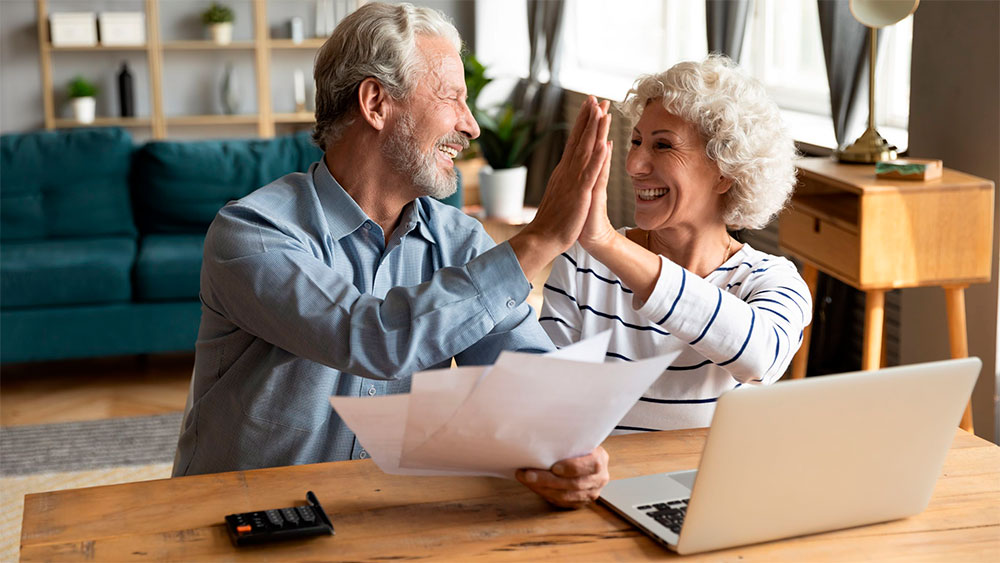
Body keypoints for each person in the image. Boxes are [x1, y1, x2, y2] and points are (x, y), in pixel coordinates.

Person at [173, 2, 614, 509]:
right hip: (238, 519)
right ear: (376, 103)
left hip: (379, 514)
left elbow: (523, 375)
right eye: (452, 98)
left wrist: (566, 445)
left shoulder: (460, 242)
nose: (471, 127)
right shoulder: (252, 233)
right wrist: (538, 240)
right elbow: (370, 338)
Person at [540, 56, 812, 433]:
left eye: (663, 146)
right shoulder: (584, 262)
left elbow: (760, 357)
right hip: (601, 483)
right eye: (635, 141)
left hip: (713, 487)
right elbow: (545, 401)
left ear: (725, 173)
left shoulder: (771, 280)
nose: (634, 164)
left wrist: (606, 243)